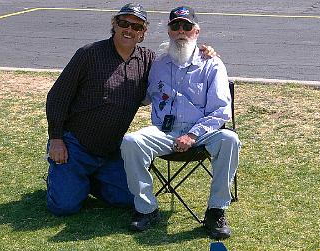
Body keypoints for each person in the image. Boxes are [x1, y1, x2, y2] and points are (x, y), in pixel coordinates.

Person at [46, 3, 216, 216]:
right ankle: (65, 177)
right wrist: (56, 139)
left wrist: (201, 50)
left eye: (136, 27)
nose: (129, 29)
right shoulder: (88, 54)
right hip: (75, 145)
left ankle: (83, 181)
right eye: (124, 23)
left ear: (143, 33)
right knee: (64, 207)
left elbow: (178, 58)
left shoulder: (148, 61)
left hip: (110, 150)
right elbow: (57, 97)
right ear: (114, 25)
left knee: (127, 198)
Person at [121, 6, 241, 239]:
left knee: (230, 139)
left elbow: (220, 111)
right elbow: (146, 96)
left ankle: (216, 211)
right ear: (168, 31)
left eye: (187, 26)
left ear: (196, 32)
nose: (181, 31)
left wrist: (193, 135)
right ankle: (146, 208)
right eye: (175, 26)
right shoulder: (158, 64)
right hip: (165, 132)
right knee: (131, 141)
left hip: (202, 133)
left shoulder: (212, 64)